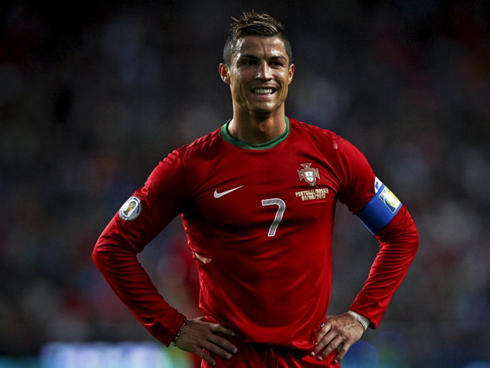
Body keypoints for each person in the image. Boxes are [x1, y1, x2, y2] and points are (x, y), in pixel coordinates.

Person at [93, 11, 419, 367]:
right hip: (232, 361)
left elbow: (400, 233)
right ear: (225, 73)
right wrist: (174, 328)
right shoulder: (189, 167)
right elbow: (112, 248)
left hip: (311, 360)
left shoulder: (332, 154)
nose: (264, 74)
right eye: (249, 62)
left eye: (275, 62)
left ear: (290, 74)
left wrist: (360, 316)